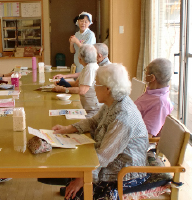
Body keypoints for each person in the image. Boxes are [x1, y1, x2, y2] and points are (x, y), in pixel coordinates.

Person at [46, 64, 149, 200]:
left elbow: (103, 156)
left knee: (76, 191)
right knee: (71, 160)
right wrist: (68, 128)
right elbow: (93, 121)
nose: (94, 87)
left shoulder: (123, 116)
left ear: (107, 89)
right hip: (113, 160)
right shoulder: (113, 102)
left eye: (96, 84)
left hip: (125, 171)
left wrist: (82, 179)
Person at [52, 44, 99, 118]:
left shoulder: (90, 68)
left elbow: (81, 91)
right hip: (87, 108)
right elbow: (76, 84)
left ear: (80, 58)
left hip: (92, 111)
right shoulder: (87, 67)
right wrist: (62, 83)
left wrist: (63, 90)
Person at [135, 58, 174, 138]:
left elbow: (145, 137)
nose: (145, 73)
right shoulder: (152, 93)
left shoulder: (160, 104)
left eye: (146, 71)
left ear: (152, 78)